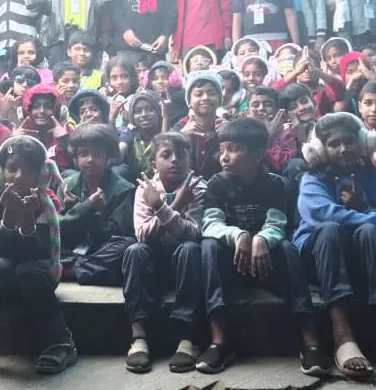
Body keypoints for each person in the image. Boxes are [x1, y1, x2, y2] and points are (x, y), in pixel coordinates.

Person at [199, 119, 329, 376]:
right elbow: (211, 224)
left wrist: (261, 239)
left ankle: (310, 339)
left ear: (257, 155)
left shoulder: (275, 184)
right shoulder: (217, 183)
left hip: (264, 262)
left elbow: (277, 223)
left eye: (233, 149)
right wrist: (238, 235)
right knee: (208, 247)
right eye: (222, 150)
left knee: (288, 249)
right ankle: (219, 339)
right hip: (232, 262)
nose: (224, 157)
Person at [295, 112, 376, 380]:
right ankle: (342, 334)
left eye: (349, 141)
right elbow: (322, 215)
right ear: (320, 150)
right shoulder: (312, 181)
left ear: (363, 143)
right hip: (321, 260)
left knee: (371, 230)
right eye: (334, 144)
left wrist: (365, 209)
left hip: (365, 262)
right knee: (329, 229)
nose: (343, 149)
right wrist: (375, 217)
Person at [0, 136, 76, 378]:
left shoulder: (47, 201)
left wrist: (27, 217)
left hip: (36, 275)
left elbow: (38, 251)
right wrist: (9, 215)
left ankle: (61, 340)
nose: (18, 176)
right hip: (2, 276)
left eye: (28, 171)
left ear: (41, 175)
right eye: (11, 169)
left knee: (28, 269)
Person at [124, 132, 205, 373]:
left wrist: (160, 207)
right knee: (134, 251)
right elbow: (143, 234)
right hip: (154, 262)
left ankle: (188, 337)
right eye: (166, 155)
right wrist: (175, 206)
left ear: (190, 160)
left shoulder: (198, 187)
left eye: (181, 155)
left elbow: (193, 233)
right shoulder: (145, 189)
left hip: (185, 264)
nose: (174, 160)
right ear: (154, 164)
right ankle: (139, 336)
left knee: (190, 249)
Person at [58, 124, 136, 286]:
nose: (90, 160)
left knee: (127, 244)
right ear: (75, 157)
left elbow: (117, 232)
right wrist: (83, 207)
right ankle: (91, 271)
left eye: (97, 154)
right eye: (83, 154)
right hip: (73, 247)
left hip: (101, 248)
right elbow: (58, 227)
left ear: (108, 157)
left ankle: (73, 270)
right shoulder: (67, 185)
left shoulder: (123, 189)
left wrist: (93, 211)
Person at [15, 84, 74, 176]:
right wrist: (13, 142)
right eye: (35, 107)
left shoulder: (68, 131)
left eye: (48, 106)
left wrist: (64, 142)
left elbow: (74, 168)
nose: (42, 111)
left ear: (59, 111)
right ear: (26, 111)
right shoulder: (18, 134)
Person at [176, 71, 223, 180]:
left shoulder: (227, 128)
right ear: (189, 102)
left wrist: (228, 136)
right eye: (198, 94)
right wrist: (182, 136)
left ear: (220, 100)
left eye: (211, 93)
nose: (205, 97)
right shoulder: (180, 128)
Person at [117, 91, 164, 182]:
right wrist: (111, 119)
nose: (144, 114)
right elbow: (118, 156)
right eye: (138, 111)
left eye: (150, 109)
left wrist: (165, 118)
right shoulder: (129, 134)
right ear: (132, 116)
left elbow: (166, 144)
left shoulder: (169, 132)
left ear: (158, 112)